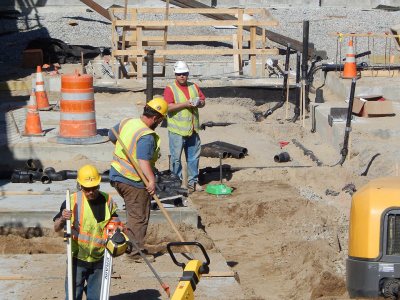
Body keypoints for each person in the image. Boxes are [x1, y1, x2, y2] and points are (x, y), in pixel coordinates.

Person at [108, 97, 168, 259]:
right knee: (139, 217)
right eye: (160, 120)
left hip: (116, 174)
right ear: (155, 118)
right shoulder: (146, 136)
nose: (159, 123)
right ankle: (135, 253)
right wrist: (151, 180)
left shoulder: (128, 122)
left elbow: (111, 135)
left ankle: (127, 242)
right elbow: (143, 161)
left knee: (133, 213)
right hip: (132, 180)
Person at [53, 164, 118, 300]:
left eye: (94, 188)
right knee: (73, 295)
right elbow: (56, 228)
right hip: (77, 258)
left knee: (96, 297)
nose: (91, 192)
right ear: (80, 186)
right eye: (87, 189)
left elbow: (115, 223)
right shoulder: (72, 201)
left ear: (99, 185)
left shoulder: (108, 201)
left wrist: (119, 231)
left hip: (100, 258)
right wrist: (62, 219)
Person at [163, 61, 206, 192]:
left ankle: (193, 182)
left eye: (184, 74)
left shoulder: (194, 86)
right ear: (175, 74)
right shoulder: (170, 89)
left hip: (193, 130)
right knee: (176, 159)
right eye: (179, 74)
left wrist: (199, 103)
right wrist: (186, 104)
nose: (182, 76)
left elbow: (203, 101)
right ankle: (177, 183)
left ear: (187, 74)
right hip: (177, 131)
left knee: (193, 158)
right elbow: (168, 107)